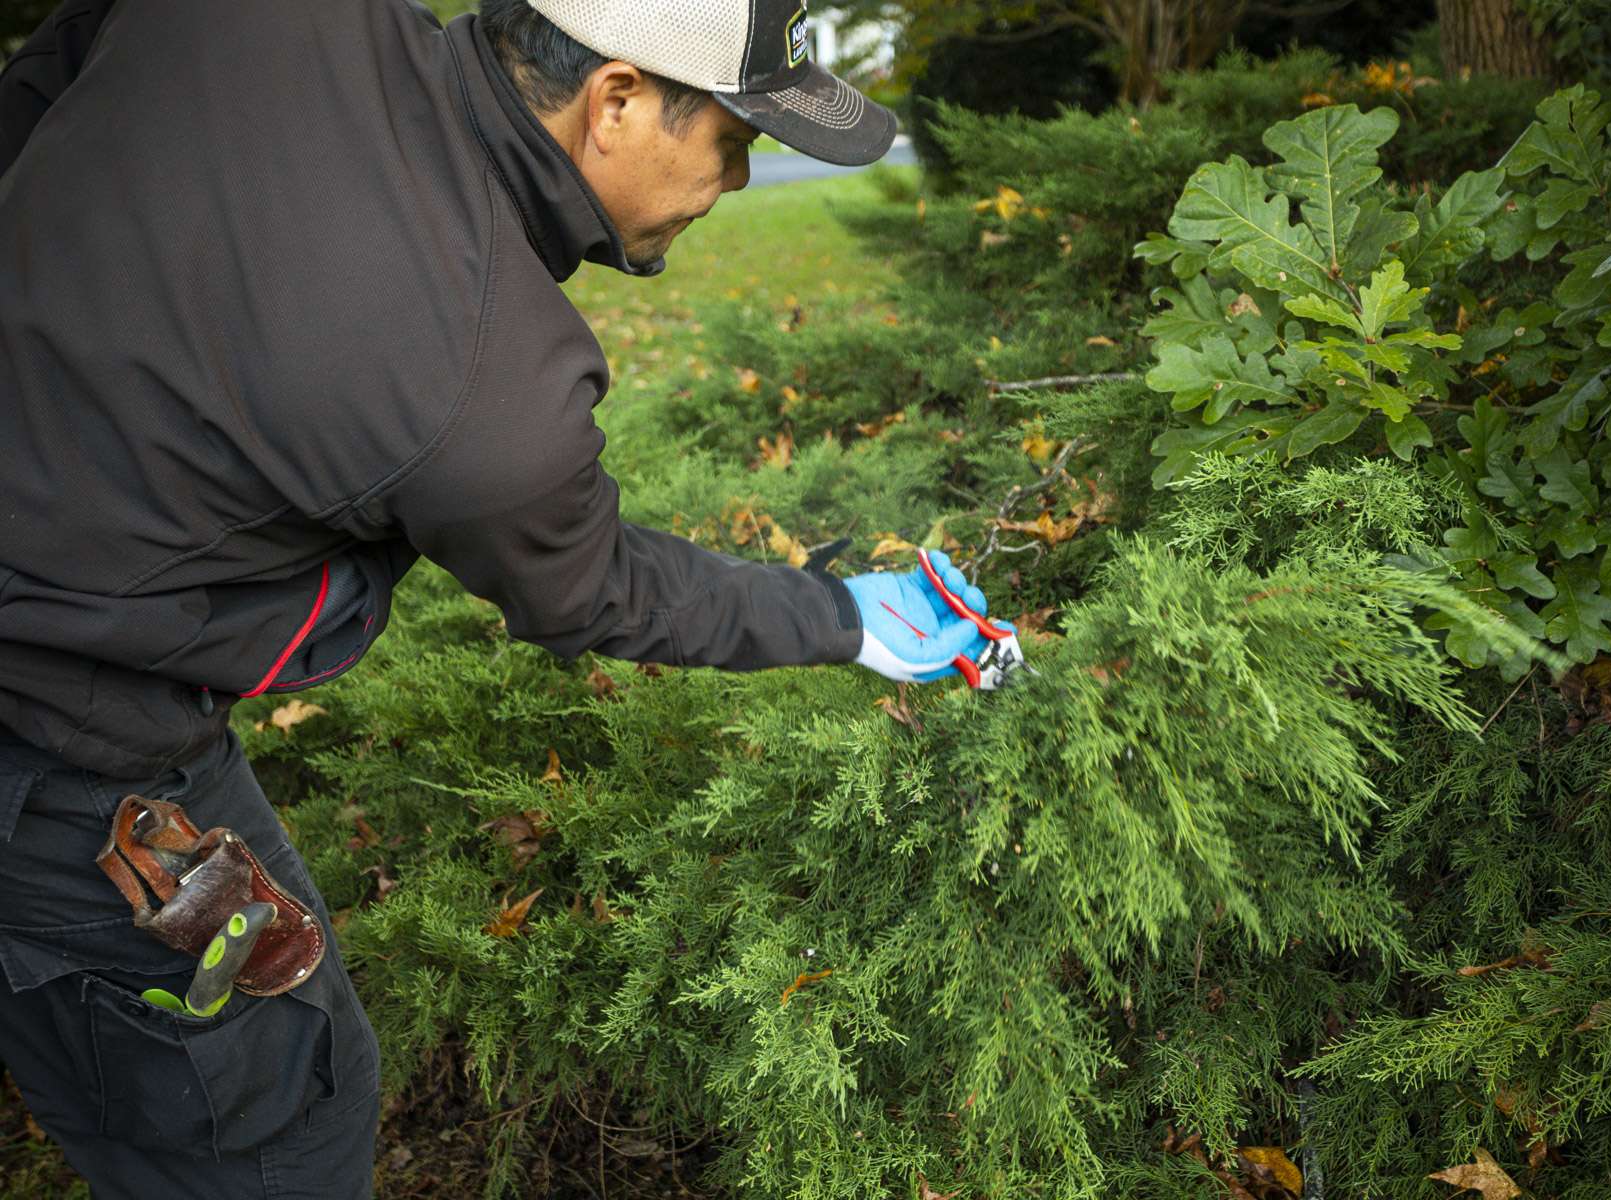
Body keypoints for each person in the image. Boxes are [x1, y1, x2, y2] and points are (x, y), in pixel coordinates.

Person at [0, 0, 1002, 1194]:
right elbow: (598, 588)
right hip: (62, 743)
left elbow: (44, 79)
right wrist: (844, 618)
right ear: (617, 99)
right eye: (734, 138)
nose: (739, 177)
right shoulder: (484, 376)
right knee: (277, 1121)